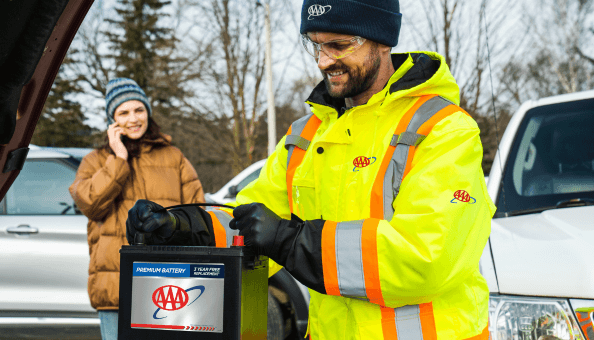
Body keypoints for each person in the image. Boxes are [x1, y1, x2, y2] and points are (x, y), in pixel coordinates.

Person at [126, 0, 496, 338]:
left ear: (382, 40)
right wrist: (187, 231)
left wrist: (290, 241)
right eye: (316, 45)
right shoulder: (305, 135)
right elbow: (253, 221)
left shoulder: (444, 129)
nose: (322, 61)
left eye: (338, 45)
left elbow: (425, 257)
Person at [68, 78, 205, 340]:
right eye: (123, 112)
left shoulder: (173, 157)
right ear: (112, 119)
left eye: (138, 110)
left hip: (168, 282)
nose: (133, 118)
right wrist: (118, 159)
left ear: (148, 113)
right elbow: (91, 205)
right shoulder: (95, 160)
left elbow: (197, 215)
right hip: (116, 283)